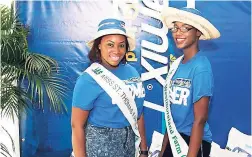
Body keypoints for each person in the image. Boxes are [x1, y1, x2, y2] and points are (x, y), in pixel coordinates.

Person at [71, 18, 148, 157]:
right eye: (110, 45)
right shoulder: (88, 79)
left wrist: (143, 149)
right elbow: (77, 126)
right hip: (100, 145)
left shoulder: (133, 72)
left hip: (130, 144)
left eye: (121, 45)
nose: (116, 51)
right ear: (99, 45)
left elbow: (138, 113)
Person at [159, 7, 220, 157]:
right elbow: (171, 117)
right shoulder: (176, 65)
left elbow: (200, 119)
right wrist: (163, 151)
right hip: (174, 138)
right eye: (176, 28)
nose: (178, 33)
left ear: (198, 32)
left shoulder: (201, 67)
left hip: (194, 141)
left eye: (185, 28)